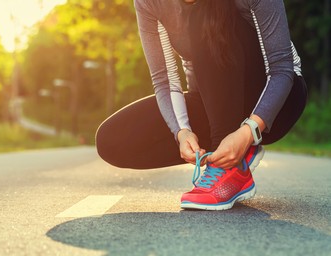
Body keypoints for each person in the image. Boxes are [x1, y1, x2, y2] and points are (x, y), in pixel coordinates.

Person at [95, 0, 308, 210]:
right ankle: (229, 149)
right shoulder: (150, 2)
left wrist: (249, 131)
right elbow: (165, 81)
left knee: (202, 13)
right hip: (215, 104)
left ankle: (231, 169)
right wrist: (182, 132)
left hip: (277, 104)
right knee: (112, 140)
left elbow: (282, 69)